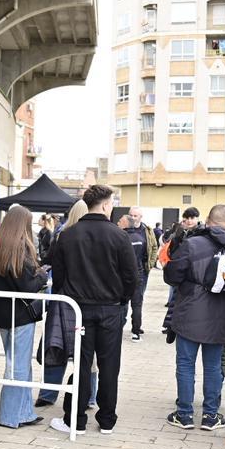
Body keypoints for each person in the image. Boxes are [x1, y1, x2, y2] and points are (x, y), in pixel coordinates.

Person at [48, 185, 138, 435]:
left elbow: (59, 278)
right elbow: (132, 276)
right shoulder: (119, 236)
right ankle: (107, 419)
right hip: (109, 309)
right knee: (109, 366)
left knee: (83, 364)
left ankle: (76, 419)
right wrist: (122, 299)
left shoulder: (67, 235)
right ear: (107, 205)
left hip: (80, 309)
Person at [163, 204, 225, 431]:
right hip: (221, 315)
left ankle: (184, 414)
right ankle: (210, 416)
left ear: (207, 220)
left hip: (190, 313)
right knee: (213, 366)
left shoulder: (192, 244)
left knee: (185, 364)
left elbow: (171, 275)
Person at [0, 206, 48, 429]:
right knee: (18, 366)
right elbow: (27, 286)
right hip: (20, 316)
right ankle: (11, 415)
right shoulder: (20, 250)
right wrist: (42, 275)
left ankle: (24, 412)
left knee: (17, 364)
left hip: (0, 316)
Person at [36, 199, 87, 408]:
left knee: (55, 346)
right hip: (88, 302)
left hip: (63, 298)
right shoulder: (99, 236)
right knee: (86, 353)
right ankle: (88, 396)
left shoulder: (62, 236)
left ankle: (48, 394)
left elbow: (55, 266)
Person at [123, 206, 158, 342]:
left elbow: (154, 247)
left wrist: (150, 263)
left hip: (142, 270)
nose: (132, 217)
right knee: (128, 300)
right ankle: (126, 324)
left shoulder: (147, 231)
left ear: (140, 217)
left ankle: (136, 327)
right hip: (128, 272)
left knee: (138, 299)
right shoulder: (123, 231)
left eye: (135, 215)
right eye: (130, 215)